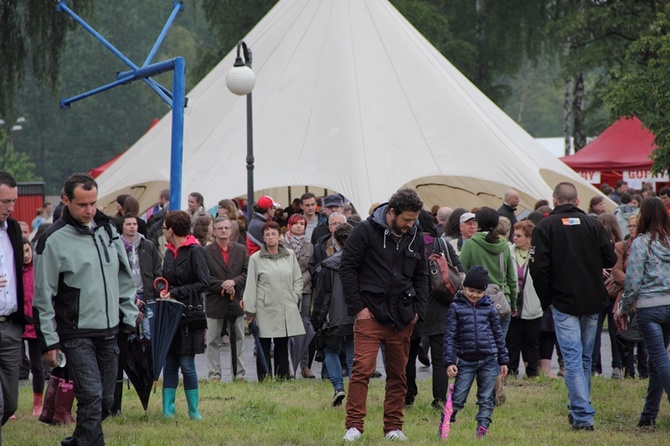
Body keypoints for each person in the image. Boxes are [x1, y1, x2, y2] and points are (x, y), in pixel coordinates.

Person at [33, 173, 138, 445]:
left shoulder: (108, 231)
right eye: (82, 204)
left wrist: (128, 315)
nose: (89, 210)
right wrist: (49, 341)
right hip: (75, 332)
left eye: (93, 203)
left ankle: (75, 442)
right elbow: (43, 296)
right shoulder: (52, 239)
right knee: (90, 396)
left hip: (110, 329)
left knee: (105, 401)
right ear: (66, 200)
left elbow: (124, 277)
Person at [340, 188, 428, 442]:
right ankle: (354, 426)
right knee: (362, 370)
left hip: (403, 316)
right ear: (391, 213)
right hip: (370, 313)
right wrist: (358, 308)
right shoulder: (364, 231)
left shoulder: (415, 235)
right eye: (406, 220)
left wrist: (418, 312)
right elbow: (347, 268)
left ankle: (393, 427)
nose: (411, 224)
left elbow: (421, 274)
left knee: (398, 374)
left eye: (414, 220)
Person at [530, 182, 617, 431]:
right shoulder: (592, 223)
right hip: (592, 300)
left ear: (554, 201)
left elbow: (538, 268)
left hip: (563, 301)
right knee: (584, 359)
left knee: (574, 359)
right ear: (577, 202)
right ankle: (580, 407)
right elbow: (610, 258)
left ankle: (582, 414)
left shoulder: (545, 226)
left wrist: (546, 298)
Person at [614, 198, 670, 428]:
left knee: (658, 358)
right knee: (658, 361)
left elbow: (633, 282)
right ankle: (648, 415)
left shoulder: (640, 243)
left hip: (649, 306)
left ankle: (650, 414)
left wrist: (623, 308)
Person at [444, 266, 509, 439]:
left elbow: (498, 336)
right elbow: (449, 337)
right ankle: (446, 426)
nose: (474, 295)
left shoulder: (490, 309)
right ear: (464, 288)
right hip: (465, 361)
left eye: (479, 292)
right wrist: (450, 362)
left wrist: (503, 360)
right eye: (471, 290)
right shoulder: (455, 308)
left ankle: (482, 431)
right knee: (457, 398)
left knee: (487, 398)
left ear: (484, 292)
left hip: (489, 360)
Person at [408, 209, 463, 409]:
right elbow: (459, 269)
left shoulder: (408, 243)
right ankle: (439, 400)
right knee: (440, 359)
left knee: (408, 356)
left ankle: (408, 396)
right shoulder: (442, 243)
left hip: (413, 305)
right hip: (440, 305)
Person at [159, 210, 210, 420]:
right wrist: (163, 289)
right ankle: (168, 411)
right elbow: (166, 278)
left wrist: (176, 292)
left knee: (187, 364)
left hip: (189, 315)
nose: (163, 232)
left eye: (164, 228)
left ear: (171, 230)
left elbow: (203, 282)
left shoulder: (195, 251)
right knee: (170, 363)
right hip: (170, 314)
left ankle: (194, 411)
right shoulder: (169, 251)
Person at [243, 221, 304, 381]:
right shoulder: (256, 258)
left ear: (279, 236)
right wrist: (250, 310)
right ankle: (264, 377)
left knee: (282, 343)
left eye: (273, 234)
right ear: (263, 238)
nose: (270, 238)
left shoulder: (290, 255)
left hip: (285, 306)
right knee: (263, 343)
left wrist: (295, 295)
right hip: (265, 307)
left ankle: (282, 376)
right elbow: (251, 285)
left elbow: (298, 278)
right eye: (267, 235)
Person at [114, 214, 162, 415]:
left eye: (134, 224)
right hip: (125, 298)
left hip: (147, 295)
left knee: (148, 339)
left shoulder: (148, 245)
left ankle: (147, 379)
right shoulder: (116, 246)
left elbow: (158, 270)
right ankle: (129, 374)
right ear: (123, 227)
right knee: (128, 340)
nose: (132, 227)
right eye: (128, 224)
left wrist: (158, 289)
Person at [312, 223, 355, 406]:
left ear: (335, 241)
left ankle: (338, 387)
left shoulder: (328, 265)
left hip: (334, 317)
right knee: (354, 353)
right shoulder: (363, 262)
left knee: (331, 351)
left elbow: (322, 297)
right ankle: (356, 390)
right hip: (357, 315)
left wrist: (317, 321)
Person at [459, 207, 518, 338]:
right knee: (498, 348)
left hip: (476, 301)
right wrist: (513, 303)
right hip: (502, 301)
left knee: (479, 347)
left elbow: (461, 274)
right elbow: (511, 278)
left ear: (477, 224)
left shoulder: (469, 244)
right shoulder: (504, 245)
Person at [204, 216, 249, 382]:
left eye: (226, 228)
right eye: (220, 228)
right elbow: (203, 277)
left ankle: (239, 374)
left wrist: (234, 282)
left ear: (231, 230)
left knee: (238, 338)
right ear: (214, 231)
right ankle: (214, 375)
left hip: (235, 299)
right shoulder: (206, 252)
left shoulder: (241, 250)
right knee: (213, 340)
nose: (224, 231)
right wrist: (222, 284)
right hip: (215, 300)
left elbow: (246, 273)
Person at [0, 172, 25, 439]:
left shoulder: (15, 229)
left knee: (10, 405)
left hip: (11, 328)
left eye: (13, 201)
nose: (10, 207)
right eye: (4, 201)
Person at [611, 214, 647, 380]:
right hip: (625, 295)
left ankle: (644, 371)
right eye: (630, 226)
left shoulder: (648, 245)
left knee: (644, 338)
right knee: (624, 336)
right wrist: (633, 282)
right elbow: (616, 270)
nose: (631, 229)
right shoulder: (622, 246)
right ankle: (628, 372)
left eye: (634, 226)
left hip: (644, 298)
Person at [280, 214, 316, 379]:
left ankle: (304, 365)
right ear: (289, 225)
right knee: (287, 327)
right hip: (285, 289)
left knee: (304, 326)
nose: (300, 226)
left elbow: (312, 267)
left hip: (304, 289)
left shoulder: (310, 246)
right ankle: (288, 364)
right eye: (296, 223)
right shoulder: (282, 244)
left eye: (302, 224)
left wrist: (300, 283)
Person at [507, 220, 543, 378]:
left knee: (531, 340)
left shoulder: (537, 253)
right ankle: (511, 371)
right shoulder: (509, 251)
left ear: (529, 238)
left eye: (519, 235)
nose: (515, 238)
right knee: (512, 340)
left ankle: (532, 371)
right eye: (514, 234)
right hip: (513, 303)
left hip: (532, 303)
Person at [592, 213, 625, 378]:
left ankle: (596, 367)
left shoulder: (595, 243)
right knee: (615, 331)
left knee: (596, 331)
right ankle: (617, 366)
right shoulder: (621, 245)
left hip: (599, 291)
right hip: (617, 291)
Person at [21, 238, 44, 416]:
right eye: (22, 252)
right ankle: (8, 402)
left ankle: (38, 401)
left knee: (37, 366)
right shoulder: (13, 271)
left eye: (28, 251)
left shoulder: (39, 270)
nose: (26, 255)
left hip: (36, 324)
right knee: (12, 365)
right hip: (18, 324)